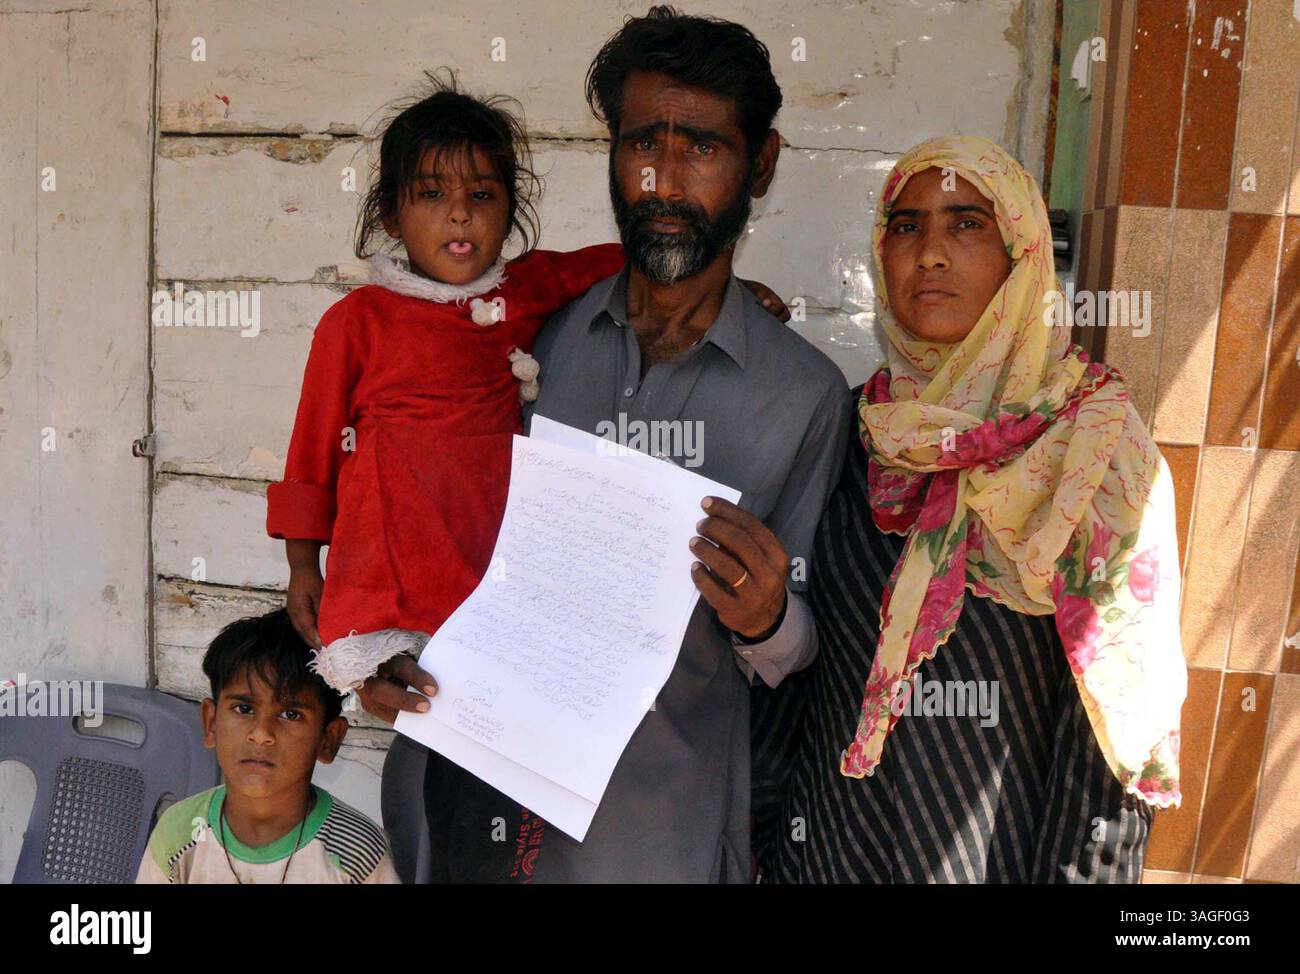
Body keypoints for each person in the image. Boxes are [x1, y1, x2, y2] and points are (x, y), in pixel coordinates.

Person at [753, 136, 1186, 883]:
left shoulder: (1093, 454)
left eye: (967, 223)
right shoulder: (848, 434)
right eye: (906, 226)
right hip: (823, 857)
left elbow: (1111, 738)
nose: (930, 253)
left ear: (1022, 253)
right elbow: (800, 680)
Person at [511, 5, 849, 882]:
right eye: (640, 146)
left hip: (656, 831)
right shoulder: (528, 336)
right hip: (484, 793)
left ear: (760, 164)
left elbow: (803, 649)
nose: (663, 181)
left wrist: (768, 617)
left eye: (701, 148)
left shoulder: (803, 396)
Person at [136, 609, 400, 883]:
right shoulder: (179, 834)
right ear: (211, 722)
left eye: (291, 714)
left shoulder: (357, 852)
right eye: (243, 708)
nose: (261, 734)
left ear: (328, 739)